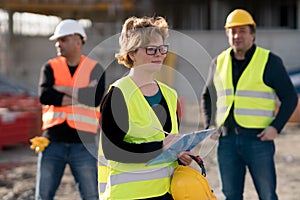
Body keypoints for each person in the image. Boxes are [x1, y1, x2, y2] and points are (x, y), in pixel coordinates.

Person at [201, 9, 298, 200]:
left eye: (242, 31)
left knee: (267, 195)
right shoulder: (218, 62)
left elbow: (290, 98)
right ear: (227, 34)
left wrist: (276, 127)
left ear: (252, 34)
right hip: (226, 141)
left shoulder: (270, 61)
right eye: (232, 31)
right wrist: (209, 124)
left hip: (259, 140)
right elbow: (207, 96)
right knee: (230, 195)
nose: (237, 36)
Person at [98, 16, 193, 200]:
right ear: (132, 54)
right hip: (129, 196)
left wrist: (179, 153)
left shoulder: (170, 95)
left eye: (162, 48)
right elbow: (113, 151)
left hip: (166, 192)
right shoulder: (119, 94)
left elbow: (168, 141)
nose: (159, 54)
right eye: (151, 49)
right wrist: (160, 148)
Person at [34, 19, 106, 200]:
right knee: (43, 196)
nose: (58, 44)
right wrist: (81, 95)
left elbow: (95, 98)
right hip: (52, 143)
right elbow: (45, 96)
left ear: (78, 41)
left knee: (91, 196)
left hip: (84, 145)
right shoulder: (49, 67)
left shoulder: (95, 68)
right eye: (57, 41)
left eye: (63, 39)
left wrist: (63, 89)